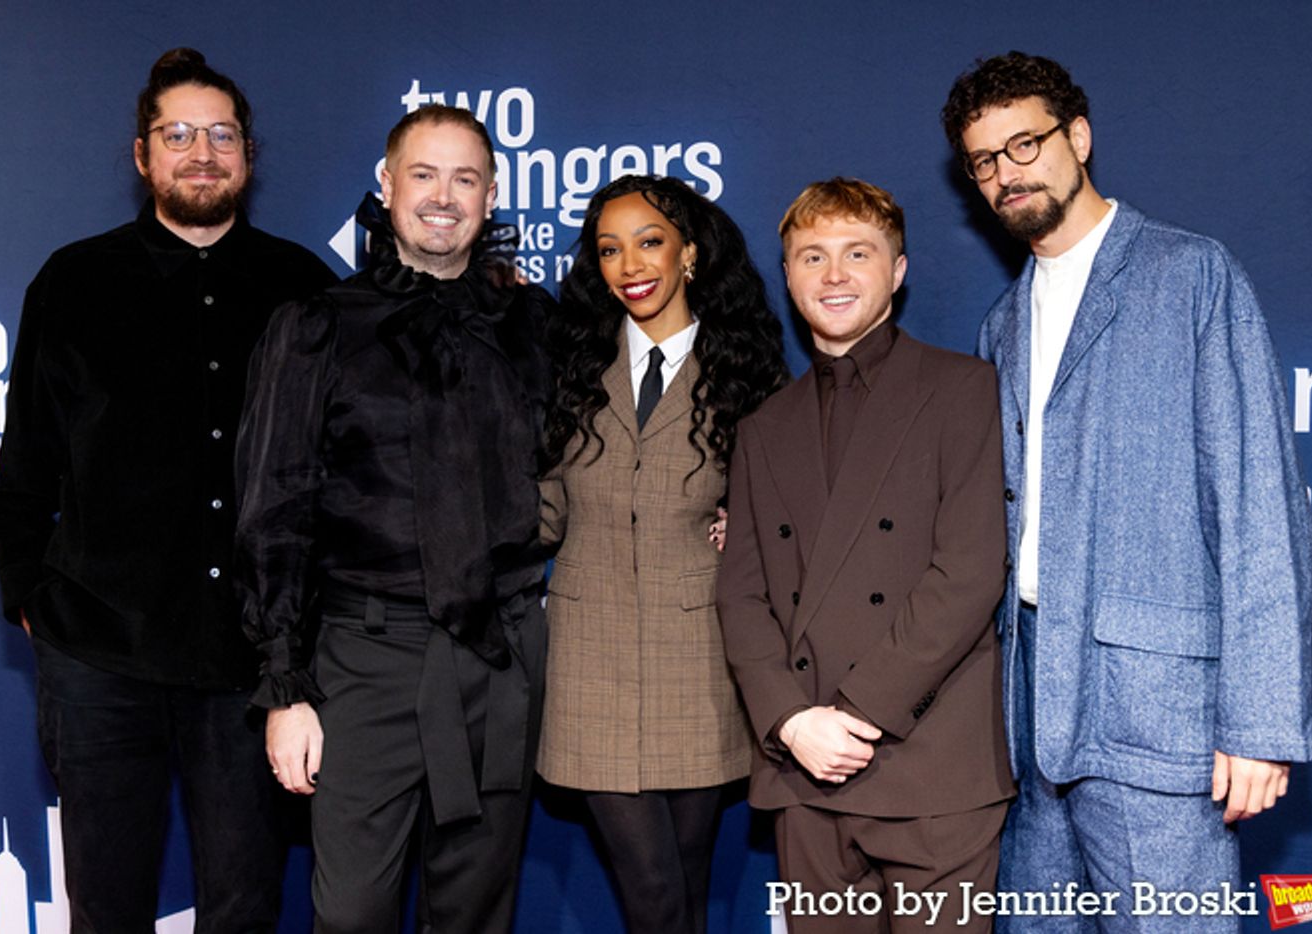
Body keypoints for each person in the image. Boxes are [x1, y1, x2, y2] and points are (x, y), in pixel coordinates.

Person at [941, 52, 1312, 930]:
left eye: (1025, 144)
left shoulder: (1190, 276)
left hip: (1157, 714)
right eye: (984, 160)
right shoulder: (1002, 325)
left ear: (1078, 137)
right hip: (1029, 719)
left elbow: (1260, 507)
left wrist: (1260, 724)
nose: (1006, 173)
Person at [0, 48, 336, 933]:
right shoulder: (73, 282)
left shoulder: (304, 288)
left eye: (221, 135)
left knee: (245, 905)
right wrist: (34, 603)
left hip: (249, 663)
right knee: (106, 906)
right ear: (142, 155)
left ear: (248, 153)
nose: (201, 153)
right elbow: (23, 470)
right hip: (100, 653)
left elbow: (347, 468)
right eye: (178, 135)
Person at [235, 104, 554, 934]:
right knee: (351, 914)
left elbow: (603, 451)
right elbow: (274, 510)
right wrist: (284, 688)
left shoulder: (533, 324)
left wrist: (723, 505)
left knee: (476, 913)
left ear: (491, 196)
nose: (443, 197)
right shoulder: (317, 325)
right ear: (386, 184)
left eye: (465, 179)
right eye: (424, 174)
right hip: (366, 661)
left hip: (501, 655)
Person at [716, 178, 1015, 933]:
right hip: (805, 775)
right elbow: (742, 596)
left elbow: (970, 572)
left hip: (933, 769)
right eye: (812, 256)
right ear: (788, 275)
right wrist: (792, 722)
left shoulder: (963, 389)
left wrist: (853, 717)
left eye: (858, 253)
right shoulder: (762, 427)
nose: (834, 274)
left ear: (898, 270)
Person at [538, 175, 788, 934]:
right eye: (609, 249)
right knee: (652, 893)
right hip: (589, 661)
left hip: (700, 659)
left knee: (685, 885)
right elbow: (544, 513)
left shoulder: (744, 369)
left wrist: (750, 530)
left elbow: (785, 507)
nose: (630, 266)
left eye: (649, 242)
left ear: (689, 253)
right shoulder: (572, 364)